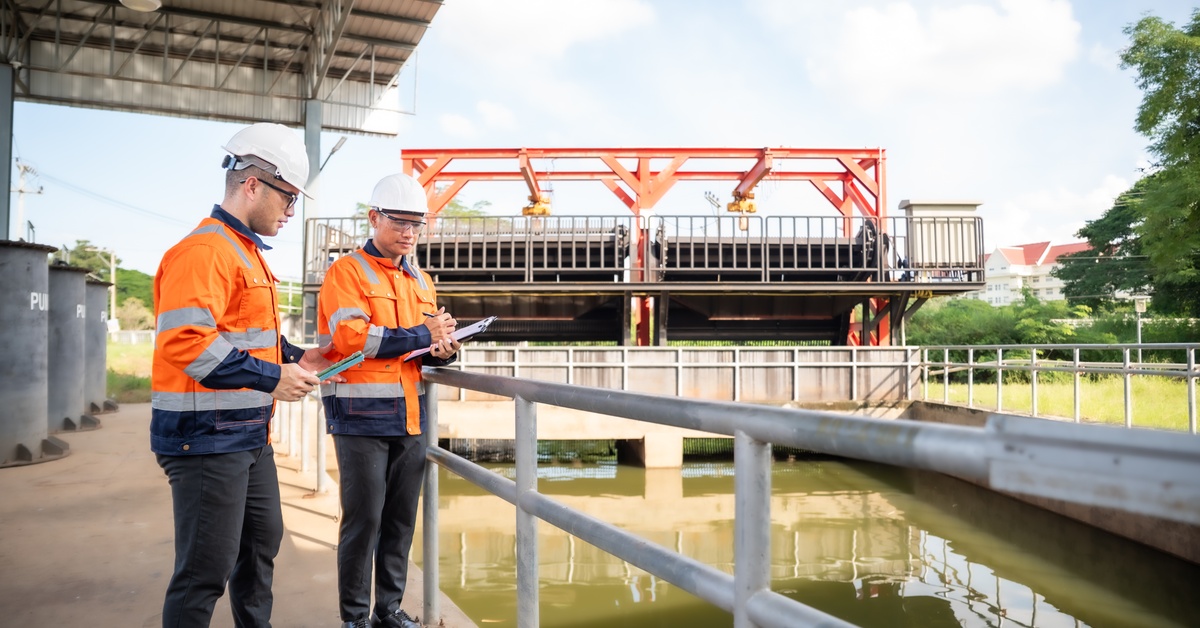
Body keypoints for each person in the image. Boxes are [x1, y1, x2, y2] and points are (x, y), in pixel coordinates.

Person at [151, 122, 340, 628]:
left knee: (260, 546)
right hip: (205, 438)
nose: (291, 211)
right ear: (253, 184)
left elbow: (248, 336)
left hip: (246, 435)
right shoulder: (205, 251)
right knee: (204, 572)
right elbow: (187, 342)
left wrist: (300, 357)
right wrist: (271, 379)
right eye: (288, 197)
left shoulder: (245, 251)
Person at [317, 173, 461, 628]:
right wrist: (422, 334)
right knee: (363, 523)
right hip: (360, 417)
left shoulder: (421, 279)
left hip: (410, 414)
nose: (408, 233)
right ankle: (355, 618)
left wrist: (446, 346)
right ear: (373, 218)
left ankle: (389, 610)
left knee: (400, 521)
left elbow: (425, 343)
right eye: (399, 223)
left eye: (416, 225)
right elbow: (352, 338)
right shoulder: (347, 272)